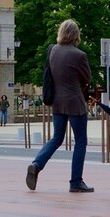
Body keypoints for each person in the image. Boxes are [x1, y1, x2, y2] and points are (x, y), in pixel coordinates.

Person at [25, 19, 94, 193]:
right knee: (80, 141)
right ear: (75, 34)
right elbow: (87, 79)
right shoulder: (79, 55)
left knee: (56, 138)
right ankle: (76, 181)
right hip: (75, 102)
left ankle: (37, 164)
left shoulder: (52, 51)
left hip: (57, 102)